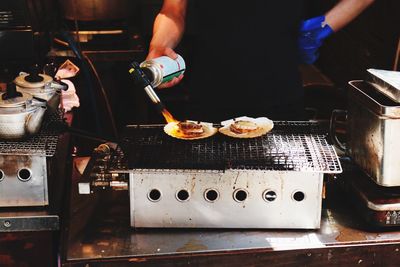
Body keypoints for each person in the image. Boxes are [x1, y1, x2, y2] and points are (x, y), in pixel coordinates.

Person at [146, 0, 375, 122]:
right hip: (208, 99)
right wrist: (159, 45)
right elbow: (173, 10)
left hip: (280, 98)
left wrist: (325, 26)